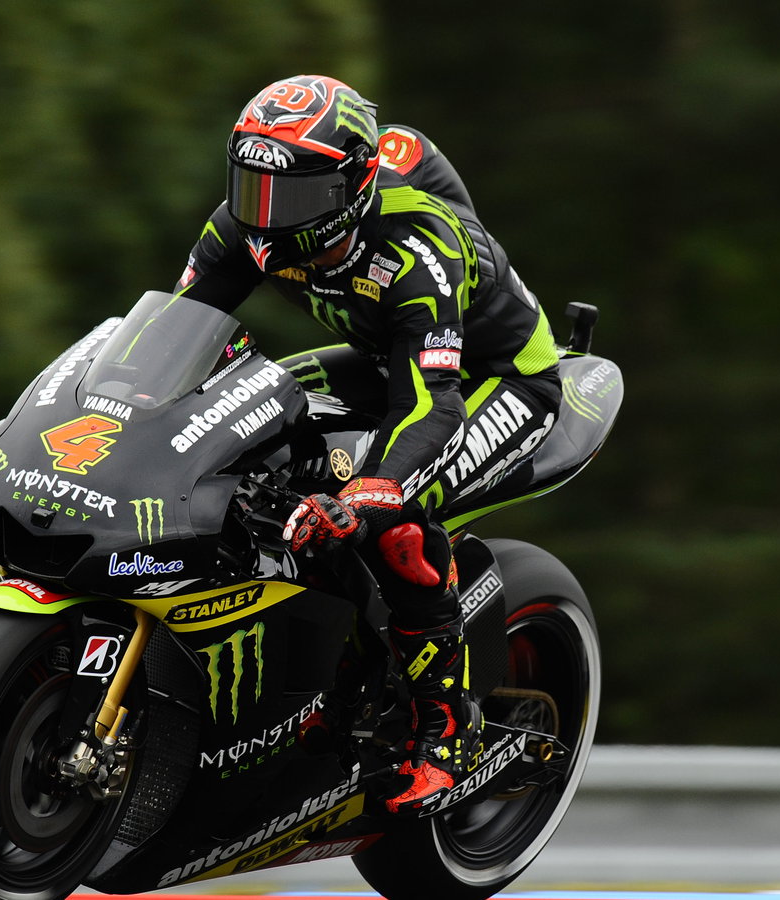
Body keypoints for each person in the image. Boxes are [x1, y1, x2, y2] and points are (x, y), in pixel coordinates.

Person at [170, 74, 562, 816]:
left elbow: (430, 403)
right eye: (252, 188)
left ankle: (445, 727)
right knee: (247, 424)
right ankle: (323, 671)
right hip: (391, 362)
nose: (265, 217)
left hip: (496, 380)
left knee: (390, 520)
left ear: (350, 186)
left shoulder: (414, 251)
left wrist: (374, 490)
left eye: (290, 197)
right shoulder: (239, 230)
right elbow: (172, 338)